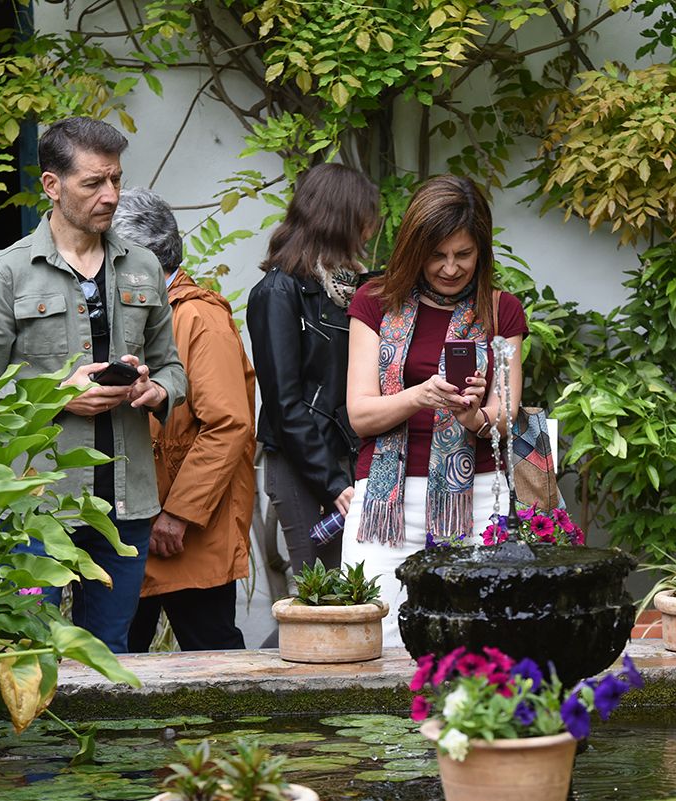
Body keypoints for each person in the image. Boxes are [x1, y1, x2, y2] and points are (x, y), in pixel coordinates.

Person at [0, 117, 187, 653]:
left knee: (110, 652)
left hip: (126, 504)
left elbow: (172, 369)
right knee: (24, 652)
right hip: (38, 503)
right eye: (93, 183)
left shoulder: (145, 266)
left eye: (116, 180)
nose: (110, 195)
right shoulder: (5, 273)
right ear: (52, 186)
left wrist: (156, 390)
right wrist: (59, 396)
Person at [342, 174, 528, 647]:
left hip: (480, 497)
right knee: (375, 642)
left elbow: (505, 412)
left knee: (481, 643)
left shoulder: (501, 310)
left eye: (463, 255)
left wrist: (473, 418)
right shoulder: (374, 303)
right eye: (437, 254)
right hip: (387, 504)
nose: (450, 267)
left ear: (481, 252)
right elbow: (360, 414)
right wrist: (419, 396)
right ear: (413, 248)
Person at [110, 187, 256, 653]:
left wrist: (177, 515)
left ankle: (234, 732)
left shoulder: (198, 317)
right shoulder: (143, 311)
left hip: (187, 529)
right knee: (118, 656)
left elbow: (228, 425)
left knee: (211, 653)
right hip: (141, 523)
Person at [247, 163, 379, 592]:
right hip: (304, 467)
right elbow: (285, 405)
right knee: (320, 596)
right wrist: (333, 481)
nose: (369, 230)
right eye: (363, 218)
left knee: (356, 590)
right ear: (339, 218)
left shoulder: (349, 291)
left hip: (347, 456)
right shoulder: (278, 292)